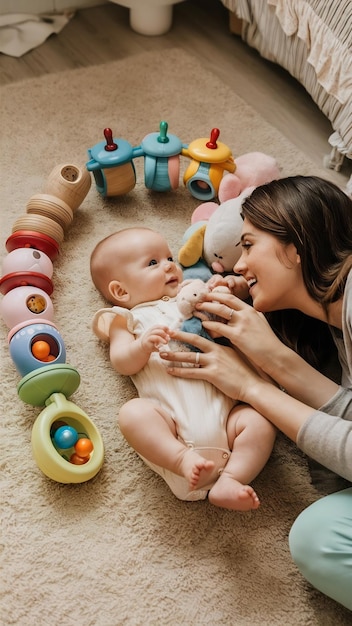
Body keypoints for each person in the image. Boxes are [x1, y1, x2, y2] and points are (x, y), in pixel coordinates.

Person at [159, 175, 352, 610]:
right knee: (317, 535)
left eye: (249, 245)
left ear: (295, 243)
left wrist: (253, 386)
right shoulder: (338, 329)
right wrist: (272, 362)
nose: (237, 265)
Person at [90, 227, 276, 510]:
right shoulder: (126, 318)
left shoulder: (190, 298)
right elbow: (121, 361)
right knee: (133, 414)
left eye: (168, 257)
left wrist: (224, 290)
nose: (169, 265)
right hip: (173, 432)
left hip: (228, 426)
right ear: (121, 291)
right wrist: (141, 347)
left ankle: (232, 479)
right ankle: (181, 459)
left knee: (259, 421)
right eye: (153, 263)